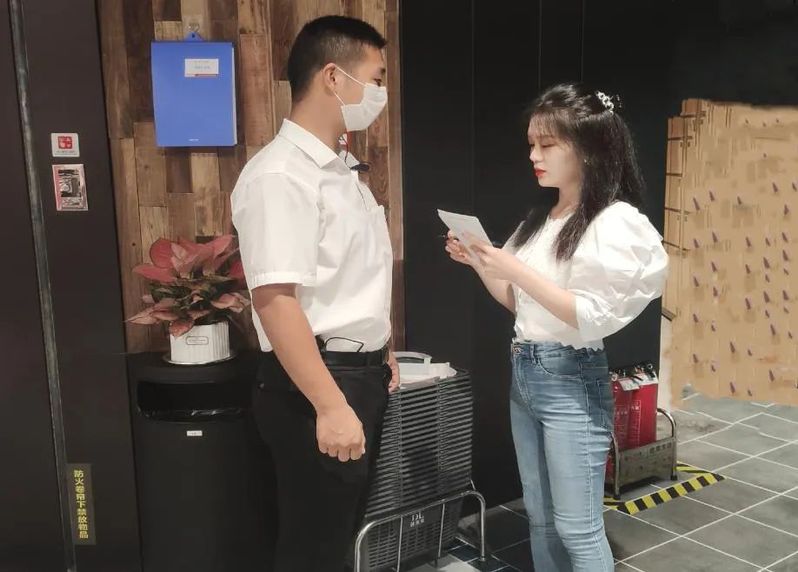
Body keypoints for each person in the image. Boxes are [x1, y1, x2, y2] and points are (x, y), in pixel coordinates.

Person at [445, 83, 668, 571]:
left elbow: (588, 315)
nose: (534, 155)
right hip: (526, 371)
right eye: (531, 144)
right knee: (541, 518)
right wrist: (479, 262)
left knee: (578, 528)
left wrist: (511, 266)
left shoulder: (613, 222)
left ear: (588, 148)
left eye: (547, 144)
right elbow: (519, 302)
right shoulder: (541, 219)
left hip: (572, 379)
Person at [231, 15, 399, 572]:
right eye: (376, 78)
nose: (380, 92)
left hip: (355, 375)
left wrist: (383, 349)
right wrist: (330, 404)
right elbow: (275, 300)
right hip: (317, 384)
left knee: (337, 536)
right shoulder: (281, 175)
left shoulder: (340, 169)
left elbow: (351, 275)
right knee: (314, 550)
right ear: (333, 77)